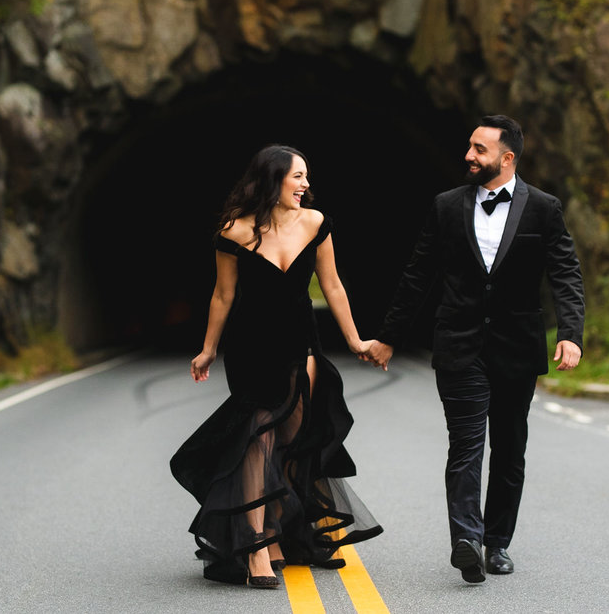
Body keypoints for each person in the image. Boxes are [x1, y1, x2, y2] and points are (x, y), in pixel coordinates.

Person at [366, 115, 584, 583]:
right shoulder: (446, 206)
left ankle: (497, 542)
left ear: (507, 158)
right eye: (469, 146)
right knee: (466, 445)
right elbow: (418, 274)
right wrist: (389, 336)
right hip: (459, 344)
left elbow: (565, 272)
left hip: (517, 348)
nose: (468, 155)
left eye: (479, 149)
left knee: (509, 449)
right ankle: (466, 538)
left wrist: (570, 332)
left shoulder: (544, 208)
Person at [170, 144, 383, 589]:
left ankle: (282, 532)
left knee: (291, 438)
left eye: (306, 177)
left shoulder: (316, 222)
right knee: (258, 438)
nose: (306, 185)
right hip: (252, 346)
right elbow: (223, 295)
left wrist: (354, 340)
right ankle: (255, 548)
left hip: (301, 342)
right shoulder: (234, 230)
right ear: (273, 179)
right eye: (298, 176)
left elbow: (333, 286)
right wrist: (208, 348)